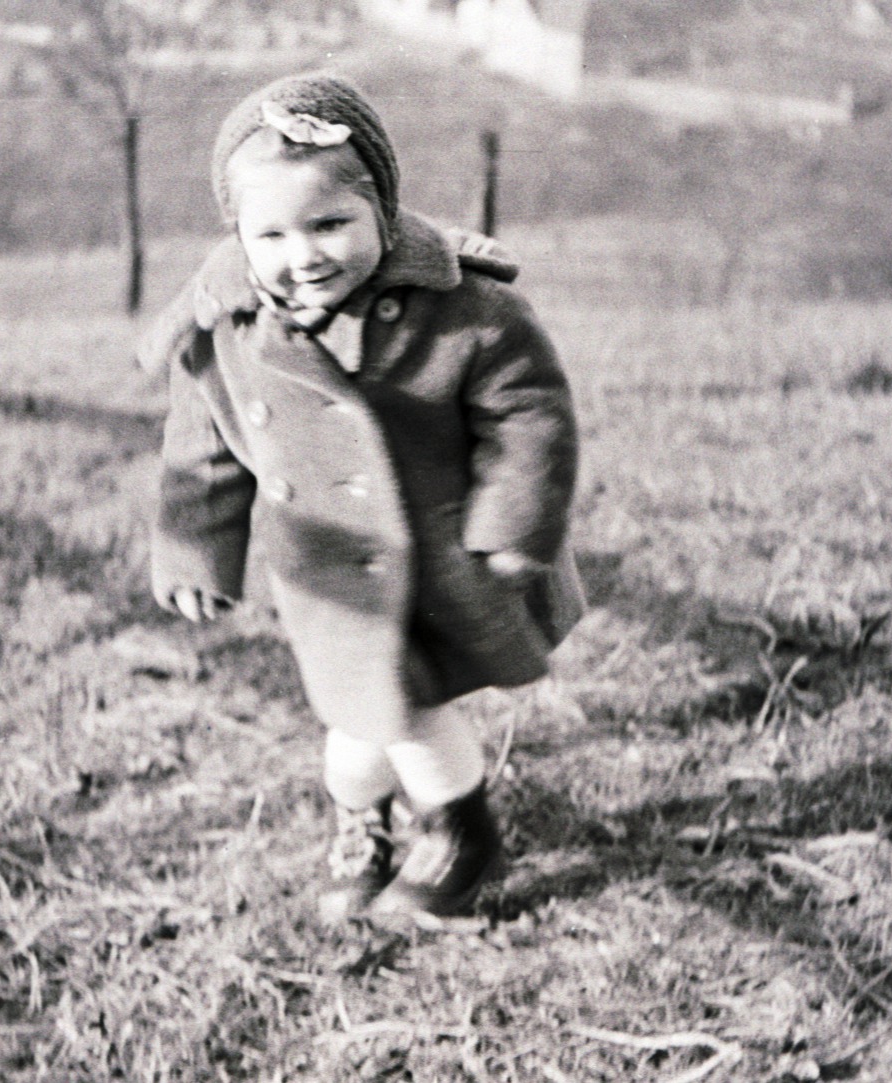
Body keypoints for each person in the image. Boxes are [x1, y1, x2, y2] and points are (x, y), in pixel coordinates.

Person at [137, 72, 583, 922]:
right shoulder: (229, 326)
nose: (301, 255)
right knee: (355, 729)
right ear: (238, 234)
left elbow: (529, 411)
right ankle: (360, 817)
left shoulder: (462, 308)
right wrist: (195, 548)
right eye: (270, 233)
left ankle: (464, 833)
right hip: (327, 571)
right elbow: (203, 445)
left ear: (381, 208)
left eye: (330, 224)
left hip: (447, 557)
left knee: (409, 709)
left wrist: (513, 521)